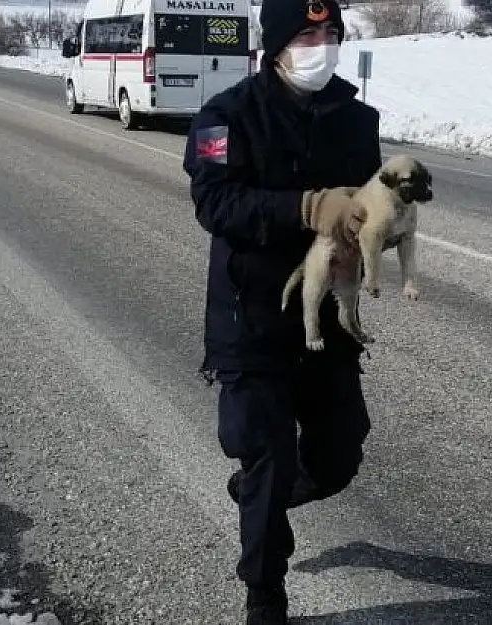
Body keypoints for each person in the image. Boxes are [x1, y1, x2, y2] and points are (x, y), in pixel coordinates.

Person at [181, 0, 383, 622]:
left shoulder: (356, 118)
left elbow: (369, 197)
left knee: (338, 457)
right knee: (269, 456)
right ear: (276, 44)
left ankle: (256, 495)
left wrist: (377, 227)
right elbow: (217, 205)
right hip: (255, 320)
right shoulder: (227, 116)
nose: (320, 45)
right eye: (307, 33)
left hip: (324, 321)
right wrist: (302, 208)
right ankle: (265, 594)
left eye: (330, 33)